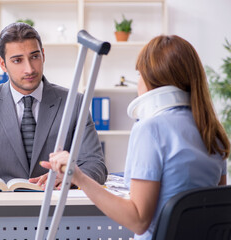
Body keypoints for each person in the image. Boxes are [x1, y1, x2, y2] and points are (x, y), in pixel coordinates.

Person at [42, 35, 230, 240]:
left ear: (152, 79)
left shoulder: (150, 129)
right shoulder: (212, 132)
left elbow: (138, 221)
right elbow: (215, 212)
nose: (138, 83)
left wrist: (78, 177)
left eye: (139, 74)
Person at [0, 22, 108, 190]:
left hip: (55, 207)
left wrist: (72, 176)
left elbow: (96, 165)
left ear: (43, 55)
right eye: (17, 60)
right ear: (3, 64)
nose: (29, 69)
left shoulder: (74, 102)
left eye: (34, 57)